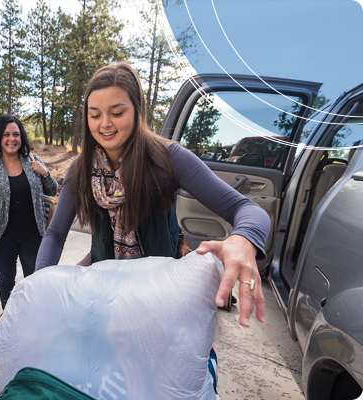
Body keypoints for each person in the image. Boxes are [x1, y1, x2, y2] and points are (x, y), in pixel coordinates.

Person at [36, 62, 268, 329]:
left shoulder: (169, 159)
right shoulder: (81, 168)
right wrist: (36, 288)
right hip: (103, 293)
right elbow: (54, 235)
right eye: (95, 114)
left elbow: (248, 210)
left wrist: (243, 240)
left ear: (137, 110)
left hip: (161, 295)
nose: (105, 124)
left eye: (117, 112)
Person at [0, 115, 58, 309]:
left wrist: (45, 173)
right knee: (6, 281)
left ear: (22, 137)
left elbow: (52, 191)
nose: (12, 139)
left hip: (33, 236)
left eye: (16, 134)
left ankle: (34, 319)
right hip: (1, 239)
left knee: (35, 280)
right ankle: (9, 321)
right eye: (6, 135)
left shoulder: (33, 161)